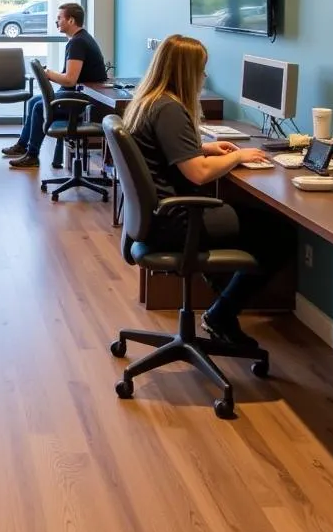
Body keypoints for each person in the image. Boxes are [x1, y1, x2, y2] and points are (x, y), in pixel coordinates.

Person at [122, 33, 295, 347]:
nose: (204, 77)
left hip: (155, 218)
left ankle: (219, 292)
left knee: (255, 222)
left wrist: (203, 148)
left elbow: (168, 152)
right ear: (187, 72)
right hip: (175, 222)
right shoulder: (170, 110)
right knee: (281, 235)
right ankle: (222, 312)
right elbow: (198, 175)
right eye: (201, 70)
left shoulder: (150, 102)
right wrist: (237, 156)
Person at [4, 2, 107, 170]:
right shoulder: (80, 39)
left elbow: (69, 80)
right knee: (33, 102)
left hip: (82, 101)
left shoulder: (77, 43)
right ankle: (23, 145)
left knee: (39, 107)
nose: (57, 22)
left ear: (71, 21)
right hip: (79, 95)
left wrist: (48, 74)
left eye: (59, 18)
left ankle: (32, 155)